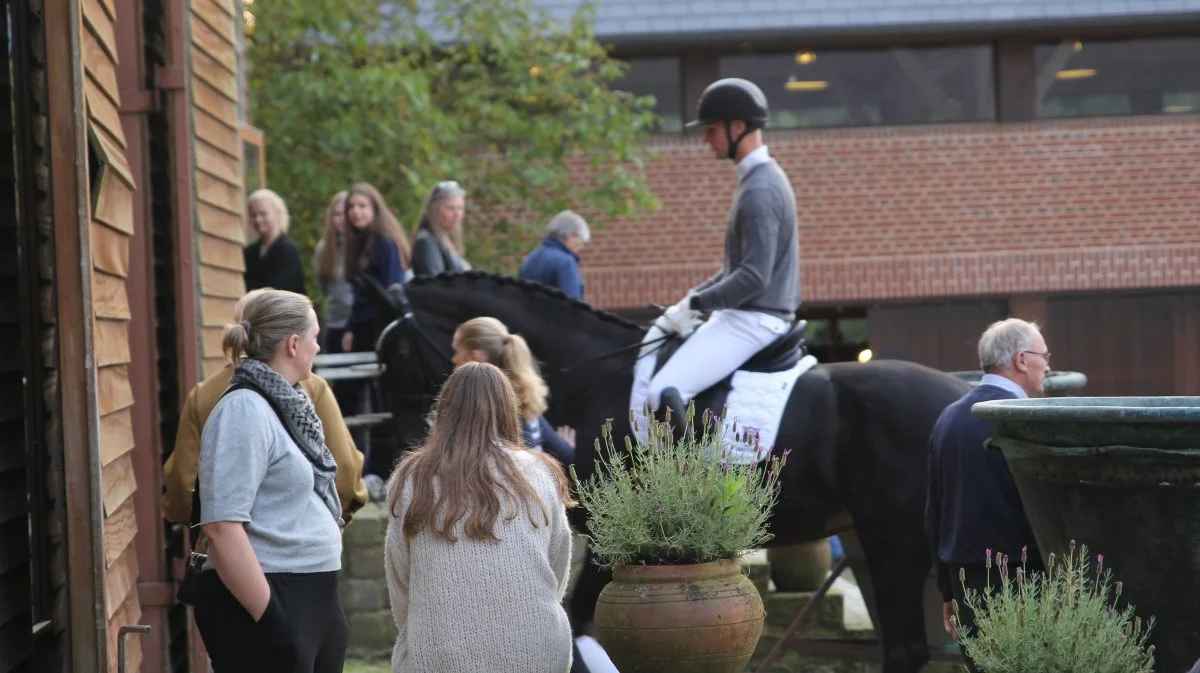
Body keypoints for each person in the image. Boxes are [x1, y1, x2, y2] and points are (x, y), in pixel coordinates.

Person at [192, 289, 348, 673]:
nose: (319, 345)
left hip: (308, 593)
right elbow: (221, 525)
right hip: (273, 595)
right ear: (293, 344)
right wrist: (273, 619)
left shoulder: (287, 403)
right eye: (314, 335)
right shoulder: (245, 410)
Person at [384, 362, 575, 673]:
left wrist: (428, 631)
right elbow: (557, 566)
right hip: (537, 649)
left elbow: (401, 578)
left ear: (445, 409)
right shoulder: (540, 473)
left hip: (441, 654)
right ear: (506, 409)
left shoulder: (411, 479)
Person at [630, 78, 800, 419]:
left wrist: (697, 303)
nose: (706, 139)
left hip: (754, 318)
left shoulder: (760, 190)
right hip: (745, 314)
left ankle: (684, 474)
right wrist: (691, 300)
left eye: (711, 129)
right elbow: (734, 269)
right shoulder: (755, 181)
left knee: (662, 394)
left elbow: (754, 276)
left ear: (738, 127)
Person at [162, 289, 368, 526]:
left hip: (218, 550)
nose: (317, 347)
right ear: (289, 341)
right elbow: (345, 472)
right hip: (285, 550)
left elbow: (182, 488)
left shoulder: (203, 395)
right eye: (314, 337)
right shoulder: (310, 387)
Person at [924, 317, 1050, 671]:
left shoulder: (947, 417)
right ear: (1022, 360)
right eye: (1044, 356)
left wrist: (948, 591)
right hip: (1024, 584)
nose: (1048, 365)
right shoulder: (1025, 419)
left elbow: (935, 512)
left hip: (966, 582)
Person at [451, 317, 575, 467]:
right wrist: (566, 445)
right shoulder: (524, 399)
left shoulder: (483, 409)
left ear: (475, 357)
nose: (454, 359)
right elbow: (566, 456)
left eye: (457, 351)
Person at [342, 182, 411, 353]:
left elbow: (390, 292)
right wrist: (350, 327)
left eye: (362, 206)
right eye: (351, 207)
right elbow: (357, 295)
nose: (355, 211)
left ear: (375, 209)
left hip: (381, 326)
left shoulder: (384, 244)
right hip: (363, 325)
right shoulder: (356, 243)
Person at [243, 189, 307, 296]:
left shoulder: (288, 250)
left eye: (263, 214)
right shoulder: (249, 253)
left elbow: (283, 290)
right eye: (253, 215)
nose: (258, 220)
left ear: (277, 214)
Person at [313, 190, 354, 353]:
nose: (341, 219)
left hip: (359, 324)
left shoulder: (364, 246)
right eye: (337, 214)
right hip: (334, 322)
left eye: (345, 213)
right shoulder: (324, 249)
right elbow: (323, 286)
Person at [518, 210, 589, 301]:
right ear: (570, 236)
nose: (581, 247)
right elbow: (573, 307)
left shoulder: (530, 259)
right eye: (581, 242)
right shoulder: (566, 263)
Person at [410, 180, 471, 277]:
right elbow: (435, 284)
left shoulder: (447, 239)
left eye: (460, 208)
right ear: (434, 210)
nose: (457, 214)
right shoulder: (426, 241)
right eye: (451, 208)